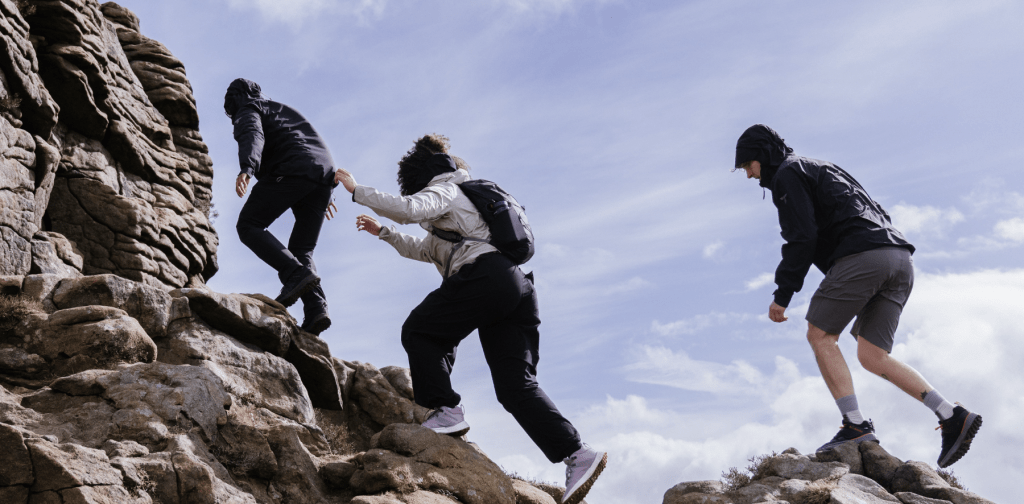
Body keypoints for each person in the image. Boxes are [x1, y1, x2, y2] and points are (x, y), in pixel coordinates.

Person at [334, 134, 606, 504]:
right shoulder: (458, 221)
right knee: (515, 387)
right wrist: (382, 233)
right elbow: (421, 247)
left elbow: (409, 209)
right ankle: (578, 453)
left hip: (487, 276)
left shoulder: (446, 188)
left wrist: (356, 190)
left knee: (420, 331)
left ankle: (446, 408)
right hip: (516, 287)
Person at [734, 124, 981, 468]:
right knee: (871, 354)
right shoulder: (823, 166)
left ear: (762, 155)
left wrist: (783, 294)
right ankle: (951, 414)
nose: (747, 174)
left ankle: (855, 425)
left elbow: (801, 238)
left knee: (820, 334)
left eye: (747, 165)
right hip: (899, 257)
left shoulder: (787, 175)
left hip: (864, 256)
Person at [225, 78, 337, 335]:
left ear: (236, 101)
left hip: (294, 168)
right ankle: (317, 309)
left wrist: (247, 167)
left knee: (249, 224)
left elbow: (252, 134)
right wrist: (326, 190)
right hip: (321, 175)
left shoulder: (248, 109)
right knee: (302, 248)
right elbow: (311, 143)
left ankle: (294, 274)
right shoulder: (280, 109)